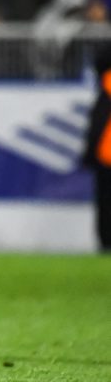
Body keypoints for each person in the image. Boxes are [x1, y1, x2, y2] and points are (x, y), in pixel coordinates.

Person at [82, 43, 111, 253]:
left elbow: (97, 124)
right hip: (105, 154)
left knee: (105, 202)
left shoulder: (106, 88)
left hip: (105, 156)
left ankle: (106, 242)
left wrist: (90, 153)